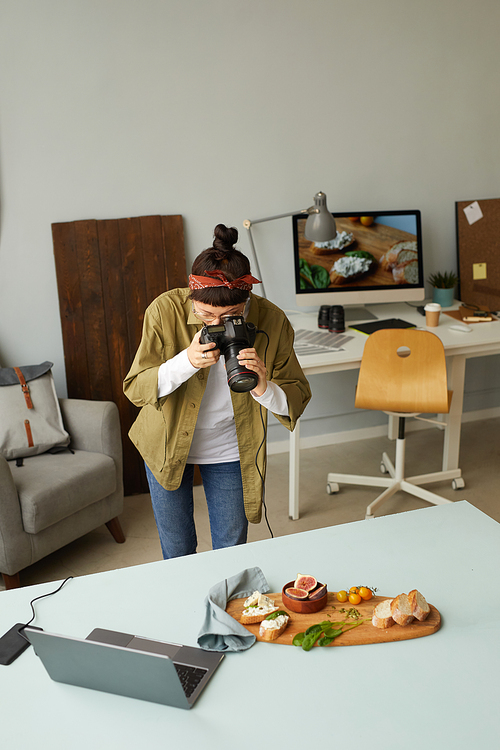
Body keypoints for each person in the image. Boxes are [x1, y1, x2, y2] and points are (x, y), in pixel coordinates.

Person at [123, 223, 311, 559]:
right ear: (191, 296)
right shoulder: (165, 311)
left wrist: (264, 387)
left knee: (230, 549)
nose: (216, 324)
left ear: (247, 301)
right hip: (165, 444)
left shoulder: (273, 321)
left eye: (230, 316)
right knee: (177, 550)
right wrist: (187, 362)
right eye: (206, 314)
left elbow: (297, 395)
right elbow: (136, 388)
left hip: (231, 448)